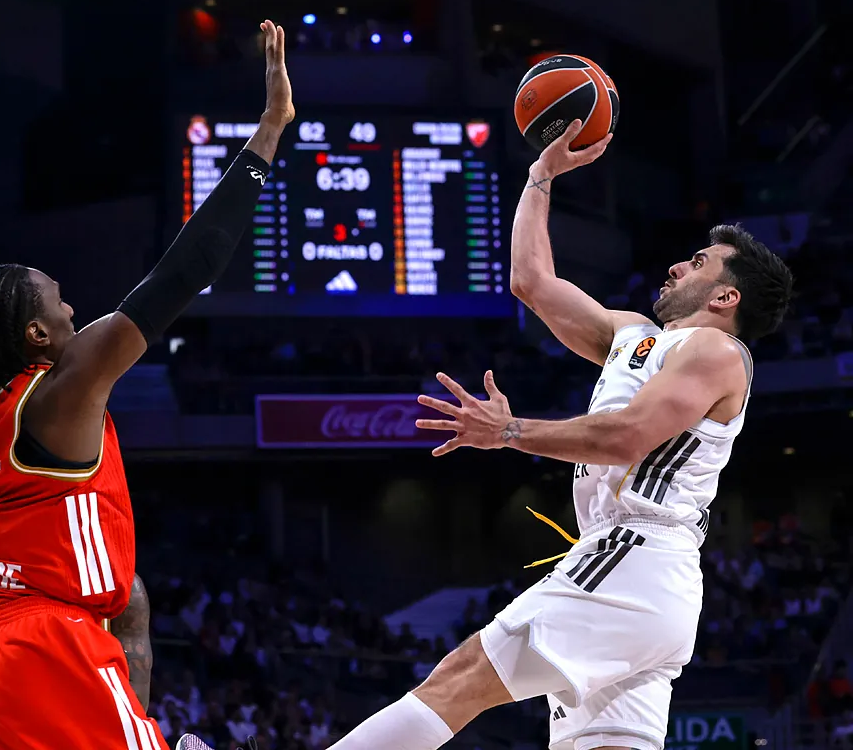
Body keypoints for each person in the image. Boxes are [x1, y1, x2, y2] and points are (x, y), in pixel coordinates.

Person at [181, 120, 795, 750]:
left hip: (636, 552)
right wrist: (540, 178)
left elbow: (625, 438)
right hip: (640, 577)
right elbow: (531, 282)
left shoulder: (717, 351)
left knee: (460, 679)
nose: (675, 264)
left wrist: (507, 430)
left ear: (725, 295)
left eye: (697, 262)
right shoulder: (635, 335)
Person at [0, 19, 295, 749]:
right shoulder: (59, 391)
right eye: (60, 300)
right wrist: (269, 132)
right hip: (49, 646)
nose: (74, 309)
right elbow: (187, 269)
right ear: (36, 334)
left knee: (134, 602)